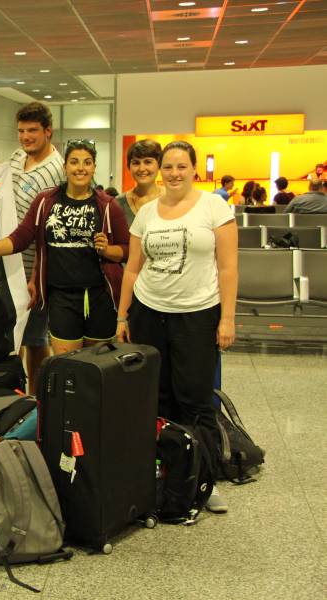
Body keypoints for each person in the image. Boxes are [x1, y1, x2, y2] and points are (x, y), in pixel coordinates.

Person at [116, 140, 237, 514]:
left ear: (194, 169)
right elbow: (133, 269)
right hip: (150, 313)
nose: (174, 173)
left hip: (198, 314)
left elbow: (229, 267)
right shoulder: (147, 213)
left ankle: (205, 477)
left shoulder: (214, 207)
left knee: (197, 399)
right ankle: (169, 473)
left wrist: (228, 317)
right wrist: (123, 316)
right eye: (168, 167)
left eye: (181, 166)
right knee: (159, 396)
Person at [0, 140, 128, 355]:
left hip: (100, 298)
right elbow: (21, 237)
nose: (80, 168)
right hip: (62, 298)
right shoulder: (45, 201)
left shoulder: (107, 206)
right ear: (65, 166)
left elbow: (126, 250)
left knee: (99, 367)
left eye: (87, 163)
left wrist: (106, 250)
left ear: (94, 167)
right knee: (69, 366)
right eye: (74, 162)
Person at [8, 102, 65, 395]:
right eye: (21, 131)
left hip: (36, 270)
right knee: (12, 338)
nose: (26, 136)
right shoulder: (19, 156)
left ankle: (38, 402)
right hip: (10, 265)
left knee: (35, 339)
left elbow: (50, 231)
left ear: (47, 131)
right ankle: (11, 399)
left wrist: (37, 276)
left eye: (32, 131)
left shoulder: (56, 171)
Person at [117, 139, 163, 227]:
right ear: (128, 167)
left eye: (148, 162)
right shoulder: (118, 203)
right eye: (136, 163)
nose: (141, 168)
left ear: (159, 164)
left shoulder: (172, 200)